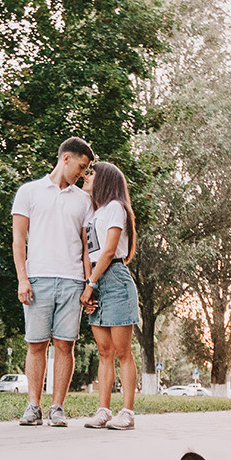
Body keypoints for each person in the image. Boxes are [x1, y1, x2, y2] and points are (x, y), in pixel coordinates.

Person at [11, 137, 95, 426]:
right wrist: (22, 278)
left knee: (65, 345)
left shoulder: (84, 200)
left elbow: (87, 247)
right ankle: (33, 406)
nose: (82, 174)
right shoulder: (29, 192)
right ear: (66, 158)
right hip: (37, 278)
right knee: (36, 344)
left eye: (87, 170)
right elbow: (18, 239)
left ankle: (57, 407)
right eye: (81, 167)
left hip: (72, 281)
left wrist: (88, 284)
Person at [80, 162, 140, 430]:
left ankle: (127, 412)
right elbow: (87, 252)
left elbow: (108, 250)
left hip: (114, 278)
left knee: (123, 352)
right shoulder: (94, 212)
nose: (86, 176)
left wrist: (91, 284)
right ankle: (104, 410)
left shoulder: (116, 207)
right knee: (104, 352)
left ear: (104, 179)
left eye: (92, 173)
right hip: (95, 279)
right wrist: (88, 284)